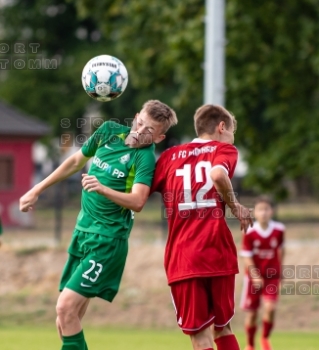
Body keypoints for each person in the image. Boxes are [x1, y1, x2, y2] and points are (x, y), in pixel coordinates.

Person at [19, 100, 177, 350]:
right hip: (82, 234)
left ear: (159, 137)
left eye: (149, 130)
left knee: (65, 307)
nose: (140, 131)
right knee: (64, 319)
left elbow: (138, 201)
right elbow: (75, 162)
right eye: (140, 123)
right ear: (135, 117)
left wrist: (102, 189)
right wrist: (37, 189)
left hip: (107, 241)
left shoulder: (144, 158)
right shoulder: (108, 131)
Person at [151, 104, 253, 350]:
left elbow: (140, 192)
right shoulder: (223, 149)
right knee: (223, 327)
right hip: (217, 251)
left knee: (199, 335)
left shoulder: (167, 158)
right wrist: (236, 205)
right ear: (221, 127)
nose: (231, 139)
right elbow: (218, 174)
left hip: (183, 257)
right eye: (231, 133)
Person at [240, 196, 285, 350]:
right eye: (260, 209)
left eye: (266, 209)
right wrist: (254, 275)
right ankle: (250, 344)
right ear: (255, 213)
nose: (264, 213)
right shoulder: (249, 231)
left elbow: (281, 250)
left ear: (271, 211)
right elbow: (246, 256)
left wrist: (281, 271)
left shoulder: (279, 229)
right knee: (252, 314)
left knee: (270, 308)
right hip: (254, 278)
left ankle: (265, 338)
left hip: (272, 276)